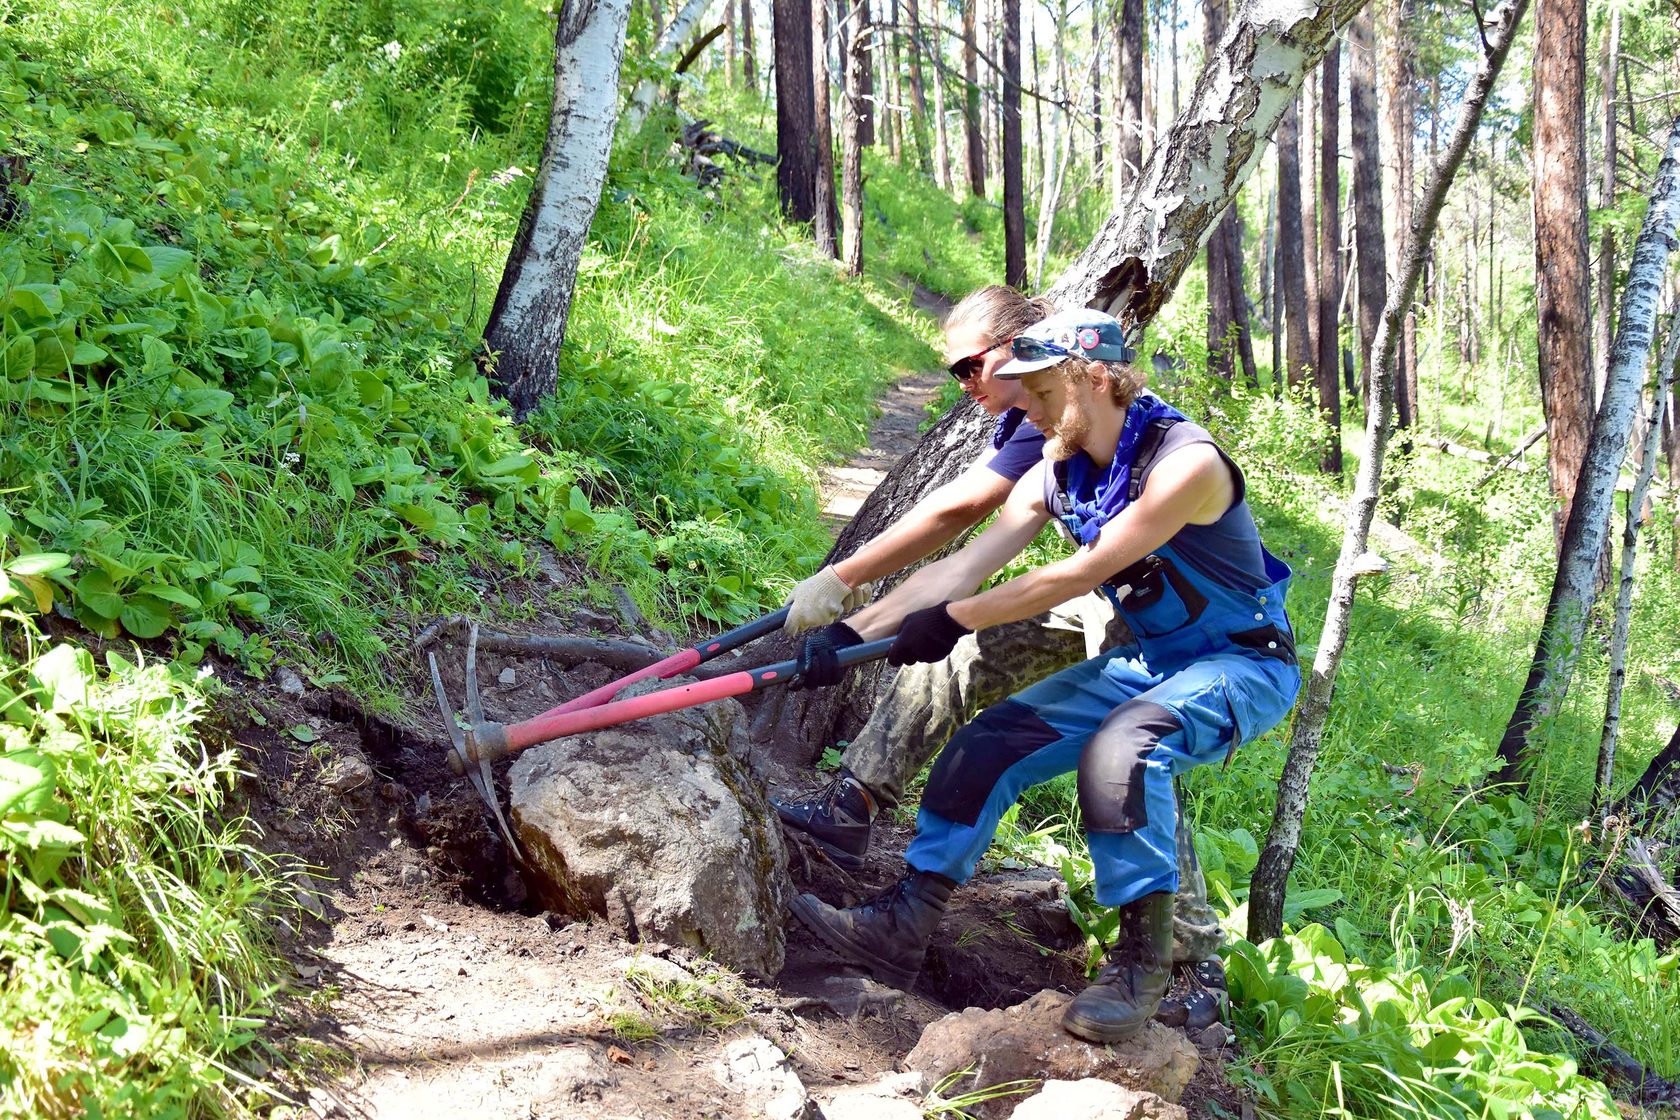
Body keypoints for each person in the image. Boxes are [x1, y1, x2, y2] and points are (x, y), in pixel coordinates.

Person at [786, 308, 1301, 1044]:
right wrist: (850, 632)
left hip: (1241, 664)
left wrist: (960, 619)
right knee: (987, 744)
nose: (1020, 402)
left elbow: (1086, 569)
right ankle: (901, 927)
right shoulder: (1056, 467)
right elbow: (964, 562)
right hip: (1152, 663)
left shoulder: (1186, 462)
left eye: (1036, 386)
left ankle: (1144, 969)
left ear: (1094, 377)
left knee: (1123, 752)